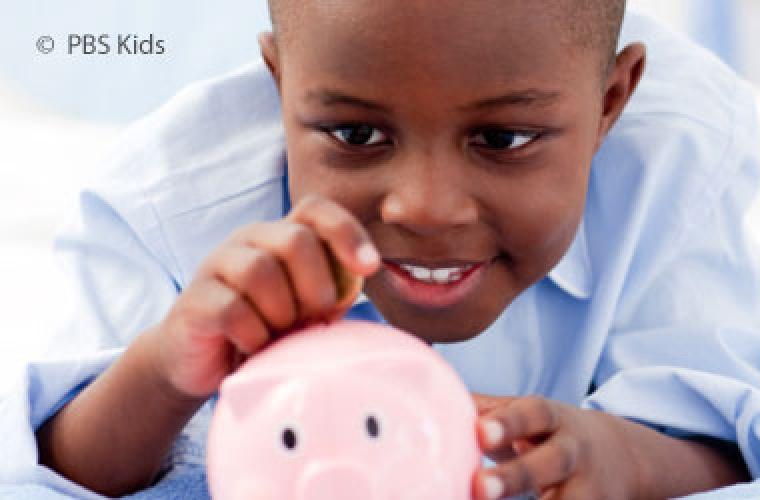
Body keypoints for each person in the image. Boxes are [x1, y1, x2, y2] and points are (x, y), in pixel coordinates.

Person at [2, 1, 760, 498]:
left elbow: (730, 443)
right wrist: (163, 370)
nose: (423, 209)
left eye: (503, 140)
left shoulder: (684, 167)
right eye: (356, 135)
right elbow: (50, 470)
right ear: (280, 85)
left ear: (608, 108)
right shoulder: (167, 204)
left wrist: (626, 460)